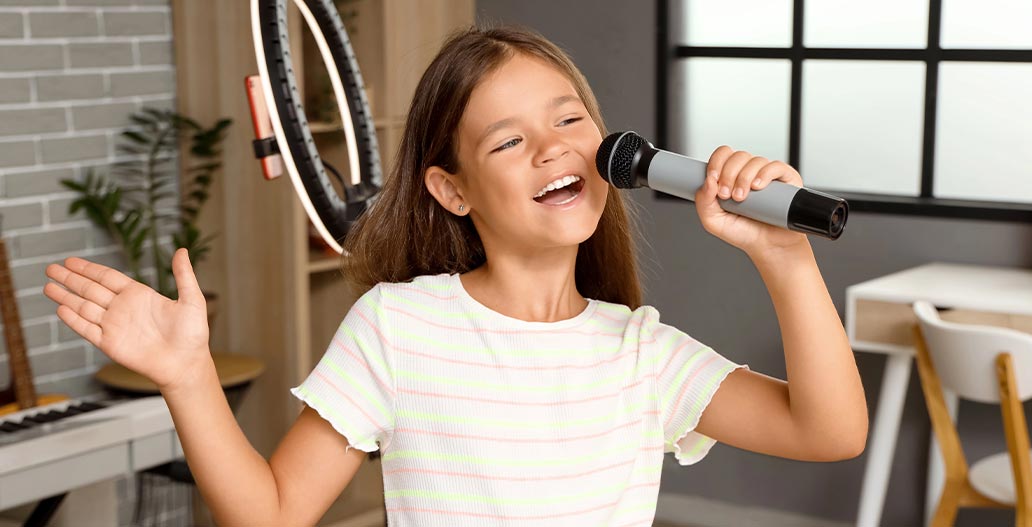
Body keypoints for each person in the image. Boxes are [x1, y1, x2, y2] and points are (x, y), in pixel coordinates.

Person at [43, 26, 866, 527]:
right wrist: (188, 376)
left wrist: (783, 257)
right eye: (506, 141)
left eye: (569, 119)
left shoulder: (642, 353)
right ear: (453, 188)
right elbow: (270, 513)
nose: (550, 146)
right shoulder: (397, 327)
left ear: (607, 152)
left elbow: (830, 431)